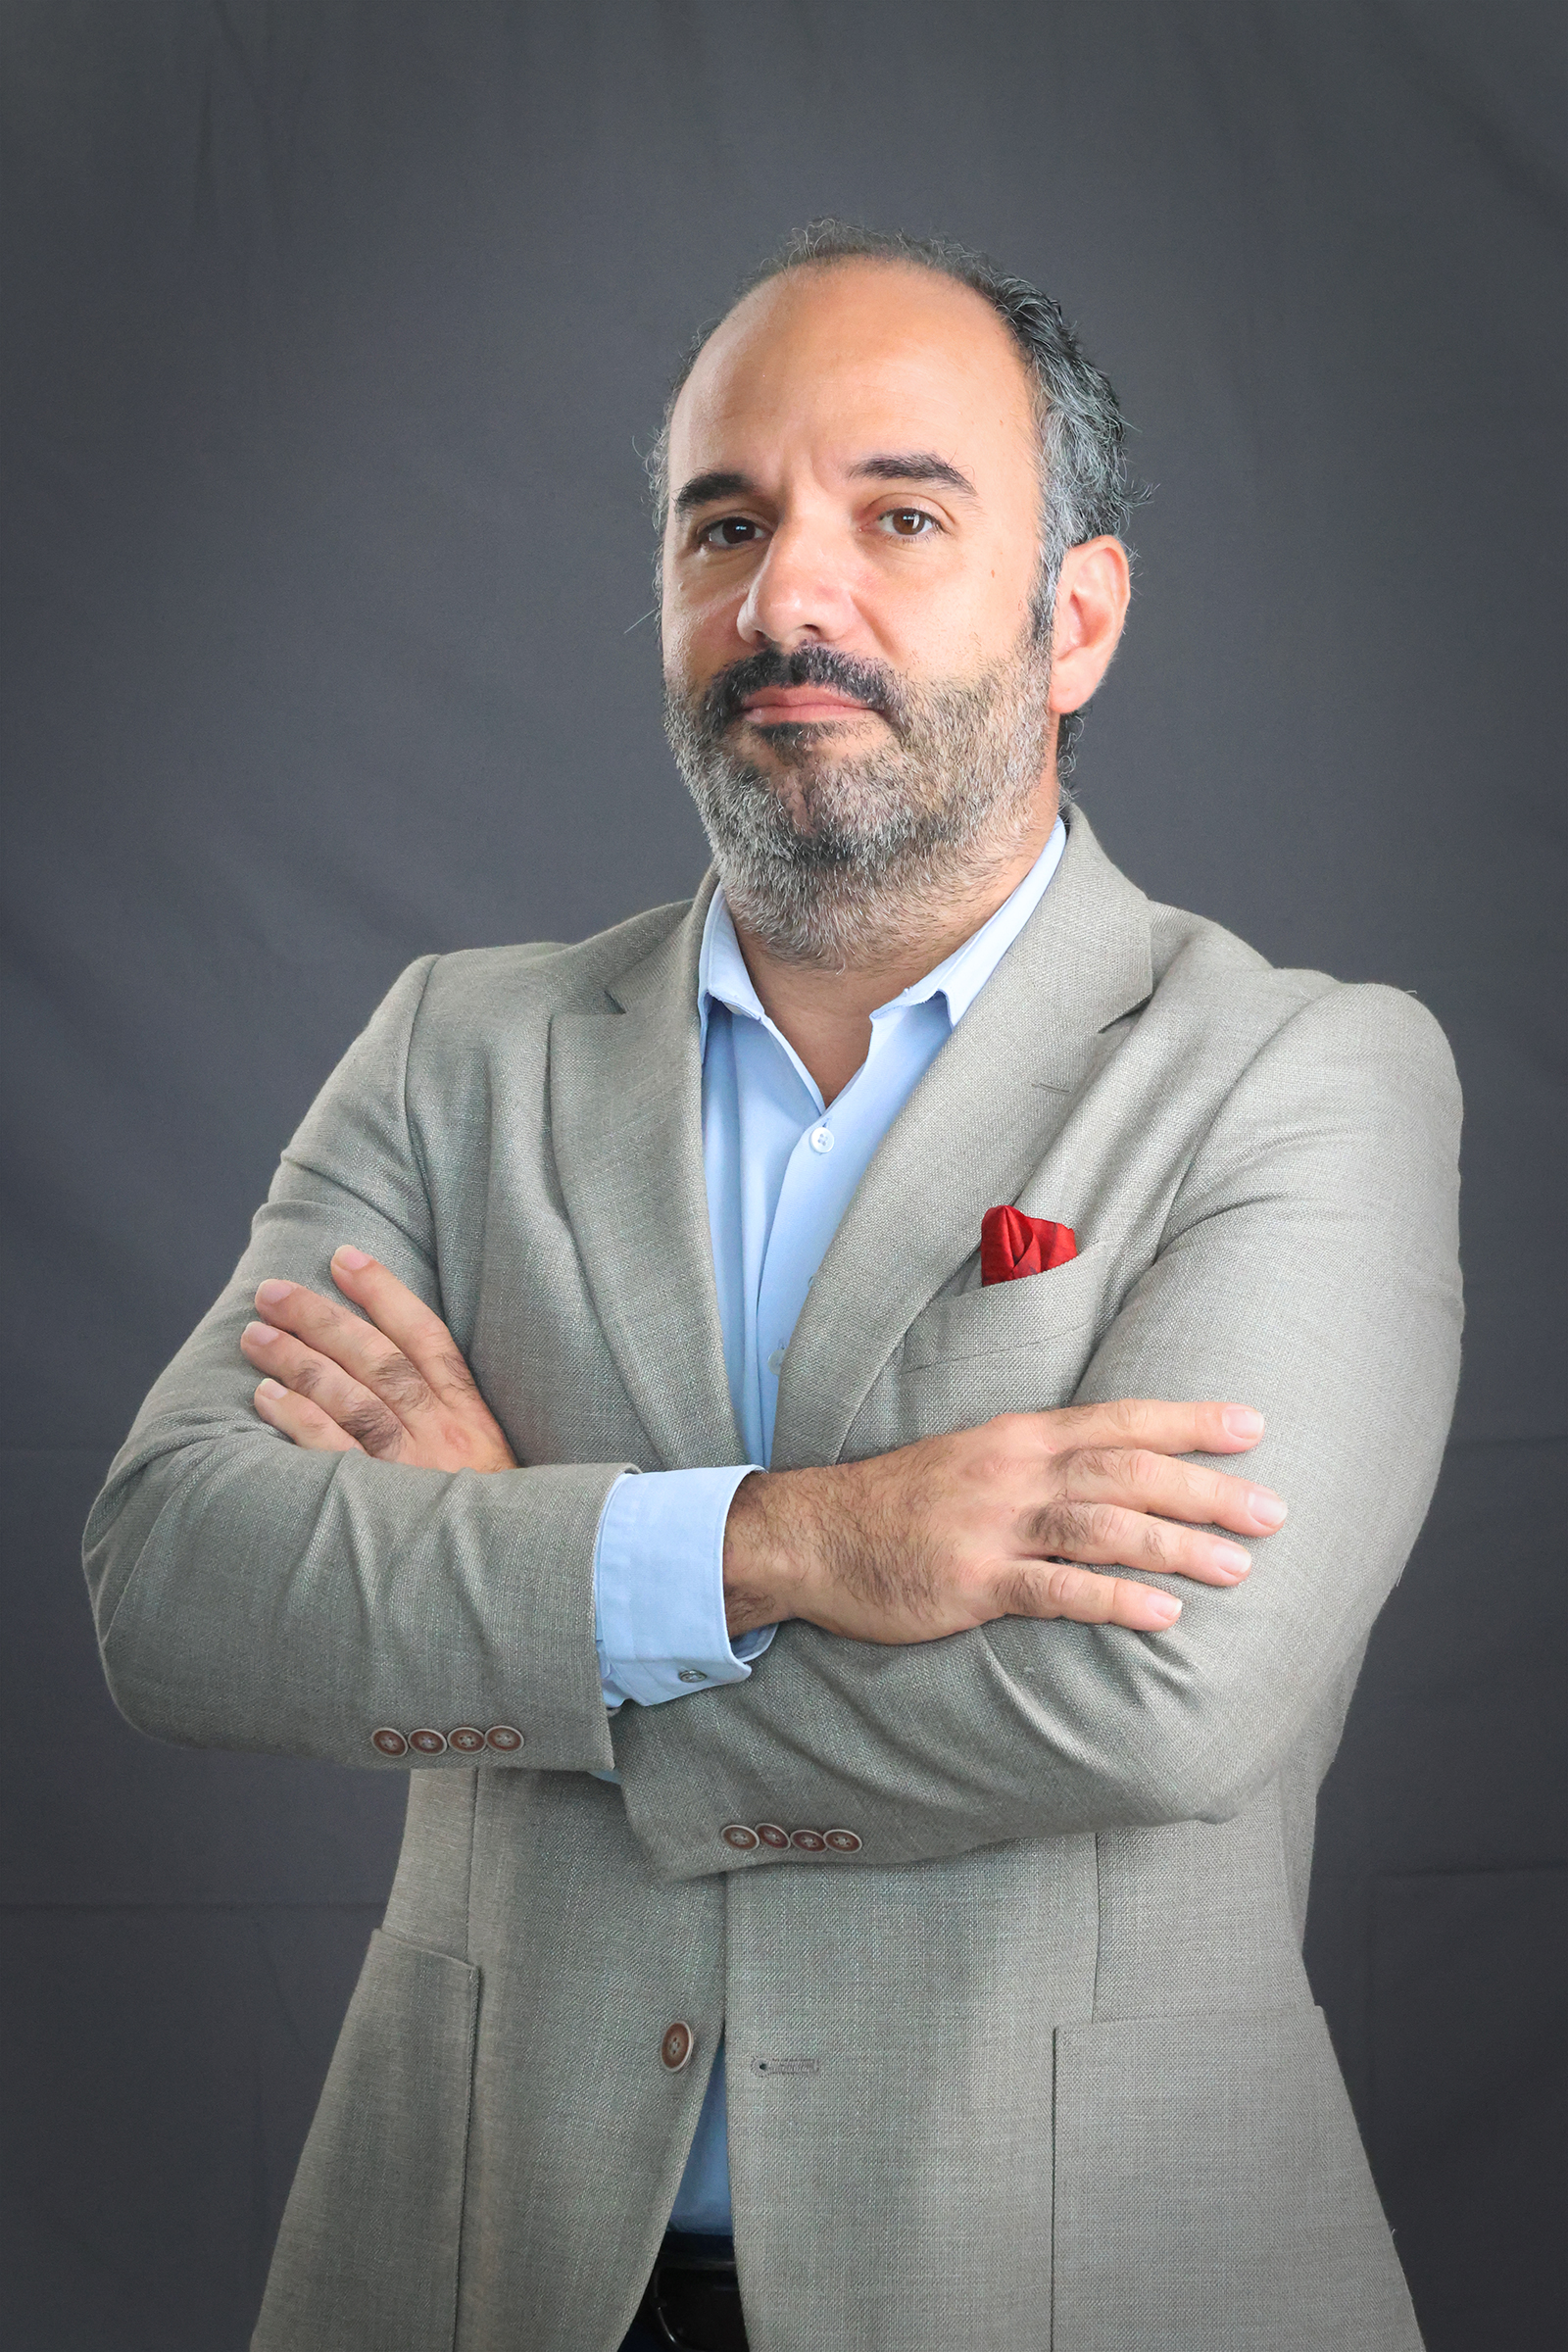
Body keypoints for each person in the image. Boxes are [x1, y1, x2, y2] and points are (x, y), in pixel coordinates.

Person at [84, 222, 1460, 2352]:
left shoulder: (1295, 1077)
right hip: (470, 2273)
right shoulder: (457, 1052)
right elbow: (175, 1585)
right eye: (723, 525)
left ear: (1075, 617)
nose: (785, 598)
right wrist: (789, 1547)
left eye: (898, 517)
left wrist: (524, 1587)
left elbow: (1152, 1696)